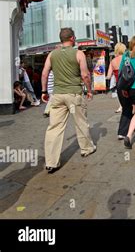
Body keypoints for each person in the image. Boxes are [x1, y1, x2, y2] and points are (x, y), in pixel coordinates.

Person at [41, 28, 96, 173]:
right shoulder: (79, 54)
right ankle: (86, 148)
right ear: (72, 38)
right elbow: (85, 75)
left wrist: (44, 91)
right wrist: (89, 90)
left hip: (57, 95)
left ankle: (51, 162)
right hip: (74, 94)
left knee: (54, 128)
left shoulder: (52, 54)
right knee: (81, 122)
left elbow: (44, 73)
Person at [107, 42, 127, 115]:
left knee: (124, 106)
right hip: (129, 84)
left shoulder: (113, 61)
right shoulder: (127, 59)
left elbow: (108, 76)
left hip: (119, 85)